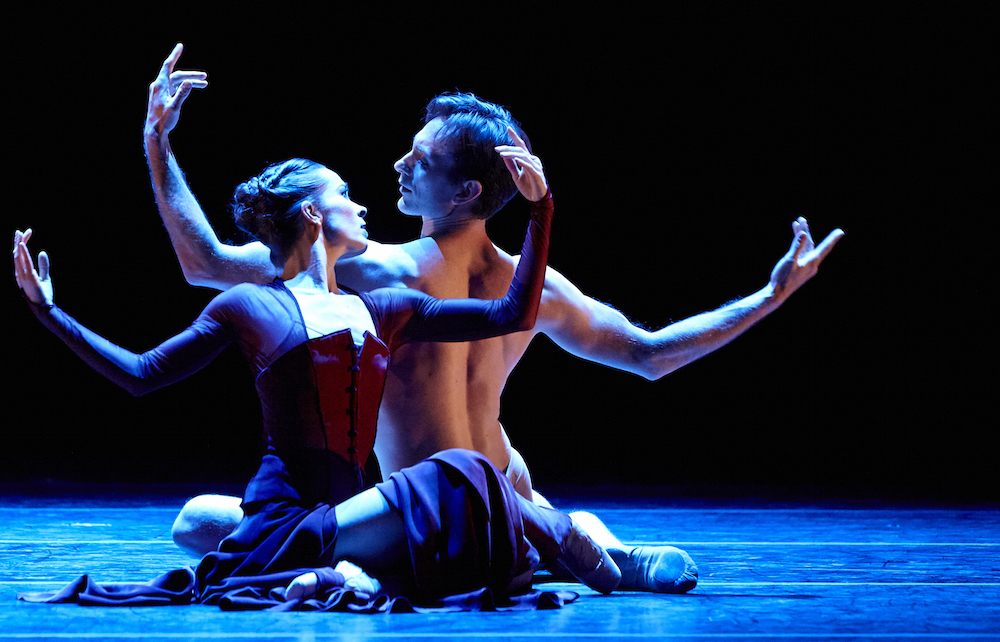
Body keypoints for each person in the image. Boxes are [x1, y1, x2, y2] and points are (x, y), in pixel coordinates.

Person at [144, 45, 845, 595]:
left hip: (432, 516)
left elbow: (205, 262)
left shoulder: (375, 270)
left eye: (418, 160)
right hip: (509, 482)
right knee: (495, 501)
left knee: (205, 523)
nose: (398, 165)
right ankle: (570, 537)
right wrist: (770, 296)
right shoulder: (537, 284)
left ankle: (523, 547)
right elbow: (650, 353)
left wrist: (158, 146)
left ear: (467, 190)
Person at [14, 148, 619, 611]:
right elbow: (141, 374)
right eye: (345, 194)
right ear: (311, 214)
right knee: (463, 470)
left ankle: (350, 574)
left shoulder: (383, 308)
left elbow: (511, 313)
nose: (361, 205)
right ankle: (567, 541)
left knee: (461, 504)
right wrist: (49, 312)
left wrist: (541, 209)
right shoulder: (250, 305)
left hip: (349, 509)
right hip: (288, 518)